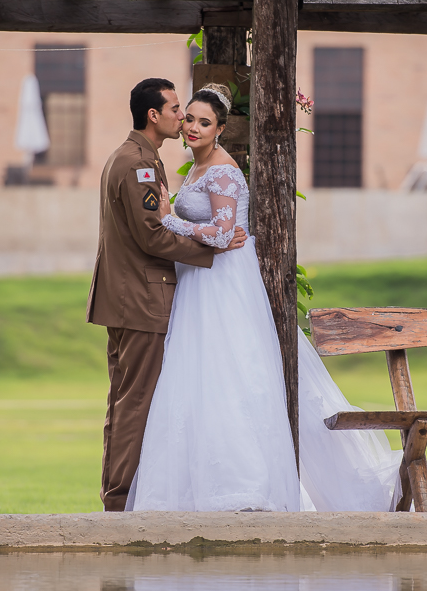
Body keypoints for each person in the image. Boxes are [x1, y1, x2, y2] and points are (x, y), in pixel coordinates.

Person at [126, 83, 403, 512]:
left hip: (223, 285)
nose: (194, 127)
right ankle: (193, 489)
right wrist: (180, 221)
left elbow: (222, 234)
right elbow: (216, 231)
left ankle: (245, 487)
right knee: (197, 378)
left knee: (232, 374)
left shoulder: (222, 170)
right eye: (190, 119)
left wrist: (169, 219)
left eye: (205, 122)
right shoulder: (195, 170)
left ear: (220, 129)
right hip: (198, 284)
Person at [87, 77, 246, 512]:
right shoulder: (138, 164)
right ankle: (119, 501)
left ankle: (119, 494)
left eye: (195, 115)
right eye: (178, 110)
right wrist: (213, 250)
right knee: (135, 402)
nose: (184, 118)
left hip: (128, 298)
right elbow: (152, 236)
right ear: (153, 115)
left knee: (126, 400)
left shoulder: (139, 158)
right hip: (141, 300)